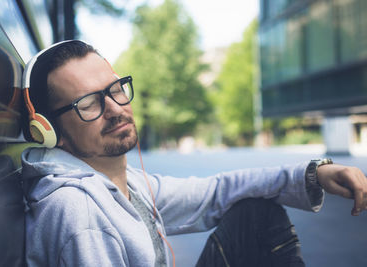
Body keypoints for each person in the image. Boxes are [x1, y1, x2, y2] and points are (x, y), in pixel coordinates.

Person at [21, 40, 367, 267]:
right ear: (50, 131)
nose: (114, 109)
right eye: (88, 103)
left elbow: (216, 192)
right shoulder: (77, 214)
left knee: (254, 214)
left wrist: (313, 174)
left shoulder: (124, 185)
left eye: (114, 89)